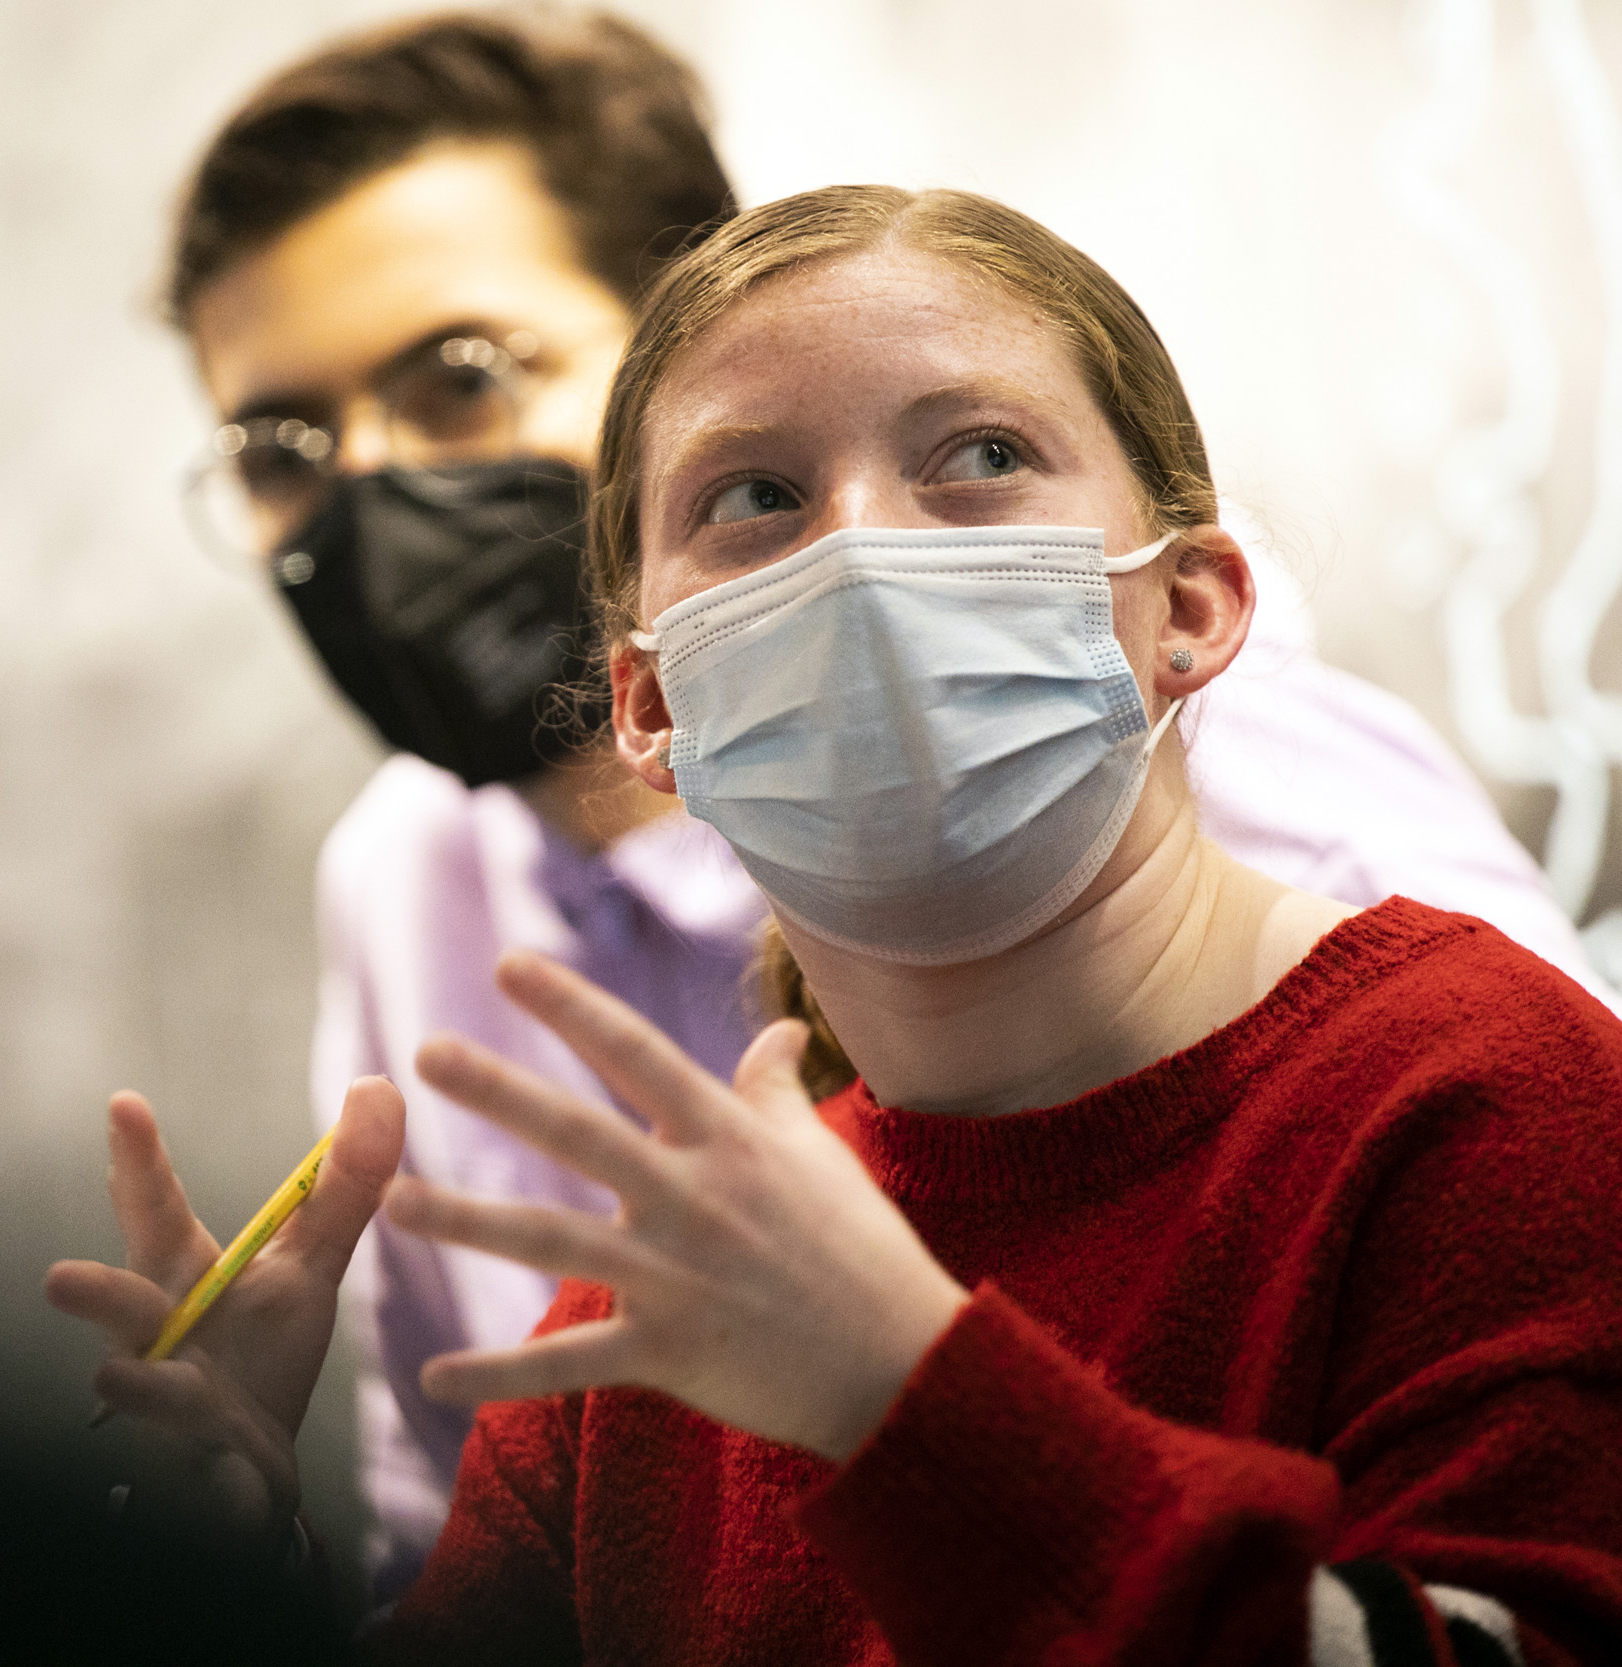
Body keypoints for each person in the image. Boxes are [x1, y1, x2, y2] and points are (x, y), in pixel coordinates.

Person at [161, 6, 1619, 1601]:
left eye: (457, 379)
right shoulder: (414, 893)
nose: (376, 495)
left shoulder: (1405, 989)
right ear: (650, 695)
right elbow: (470, 1539)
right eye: (284, 450)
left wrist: (907, 1404)